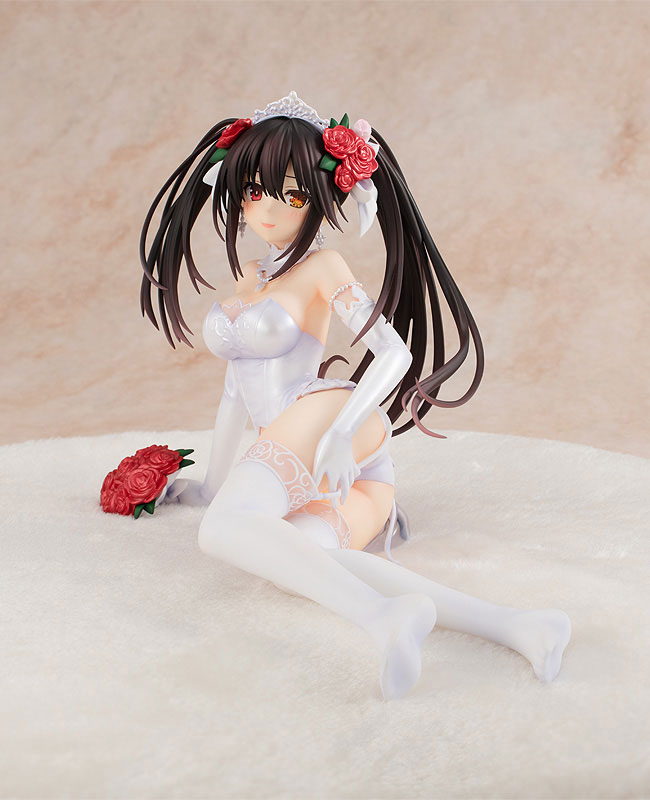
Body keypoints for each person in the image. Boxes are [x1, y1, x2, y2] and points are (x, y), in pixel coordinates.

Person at [140, 92, 571, 700]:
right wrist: (212, 481)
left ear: (324, 197)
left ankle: (383, 620)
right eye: (254, 191)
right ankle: (523, 627)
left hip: (331, 423)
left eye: (292, 195)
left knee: (223, 530)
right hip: (344, 475)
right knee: (299, 560)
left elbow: (394, 354)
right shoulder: (251, 276)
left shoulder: (323, 266)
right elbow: (236, 388)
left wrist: (344, 430)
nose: (268, 209)